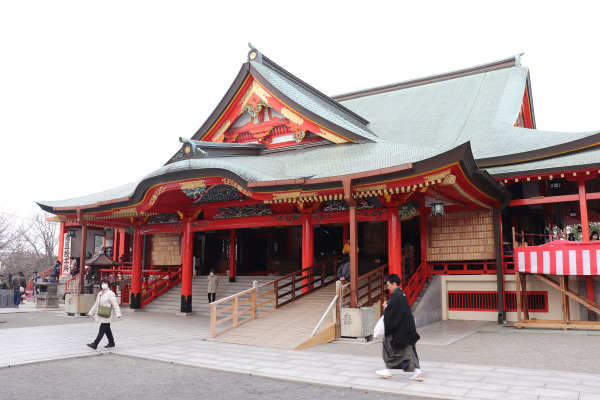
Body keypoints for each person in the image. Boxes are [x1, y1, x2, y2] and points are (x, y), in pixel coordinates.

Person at [376, 274, 423, 381]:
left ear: (394, 284)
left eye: (388, 285)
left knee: (391, 348)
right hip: (406, 329)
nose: (388, 287)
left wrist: (386, 308)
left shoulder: (396, 296)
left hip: (400, 331)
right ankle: (415, 370)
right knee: (408, 350)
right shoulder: (401, 295)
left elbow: (392, 313)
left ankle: (389, 370)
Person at [87, 278, 122, 349]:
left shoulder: (110, 293)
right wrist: (91, 312)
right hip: (101, 313)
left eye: (105, 283)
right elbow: (96, 304)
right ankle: (111, 342)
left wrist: (118, 313)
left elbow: (115, 304)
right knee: (107, 329)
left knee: (102, 329)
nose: (104, 285)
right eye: (102, 283)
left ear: (108, 284)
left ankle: (95, 343)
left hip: (107, 314)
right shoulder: (100, 293)